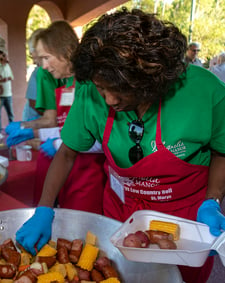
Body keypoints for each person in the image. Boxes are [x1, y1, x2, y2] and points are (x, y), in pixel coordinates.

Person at [15, 8, 225, 283]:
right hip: (121, 214)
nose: (110, 100)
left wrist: (213, 201)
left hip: (185, 220)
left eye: (120, 90)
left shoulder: (205, 91)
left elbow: (222, 150)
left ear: (154, 79)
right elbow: (67, 153)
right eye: (102, 89)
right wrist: (44, 207)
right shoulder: (91, 91)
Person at [6, 21, 106, 212]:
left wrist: (57, 144)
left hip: (88, 176)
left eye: (46, 58)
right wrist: (36, 134)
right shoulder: (71, 82)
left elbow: (105, 138)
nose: (43, 66)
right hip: (68, 170)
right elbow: (71, 129)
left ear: (66, 51)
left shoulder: (93, 85)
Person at [22, 28, 44, 122]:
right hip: (34, 119)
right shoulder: (37, 73)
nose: (34, 61)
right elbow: (33, 102)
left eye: (32, 54)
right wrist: (50, 116)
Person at [0, 53, 14, 131]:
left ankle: (11, 129)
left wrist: (7, 78)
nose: (6, 57)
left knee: (10, 114)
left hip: (8, 94)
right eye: (4, 56)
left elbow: (11, 77)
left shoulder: (7, 66)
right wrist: (1, 80)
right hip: (0, 95)